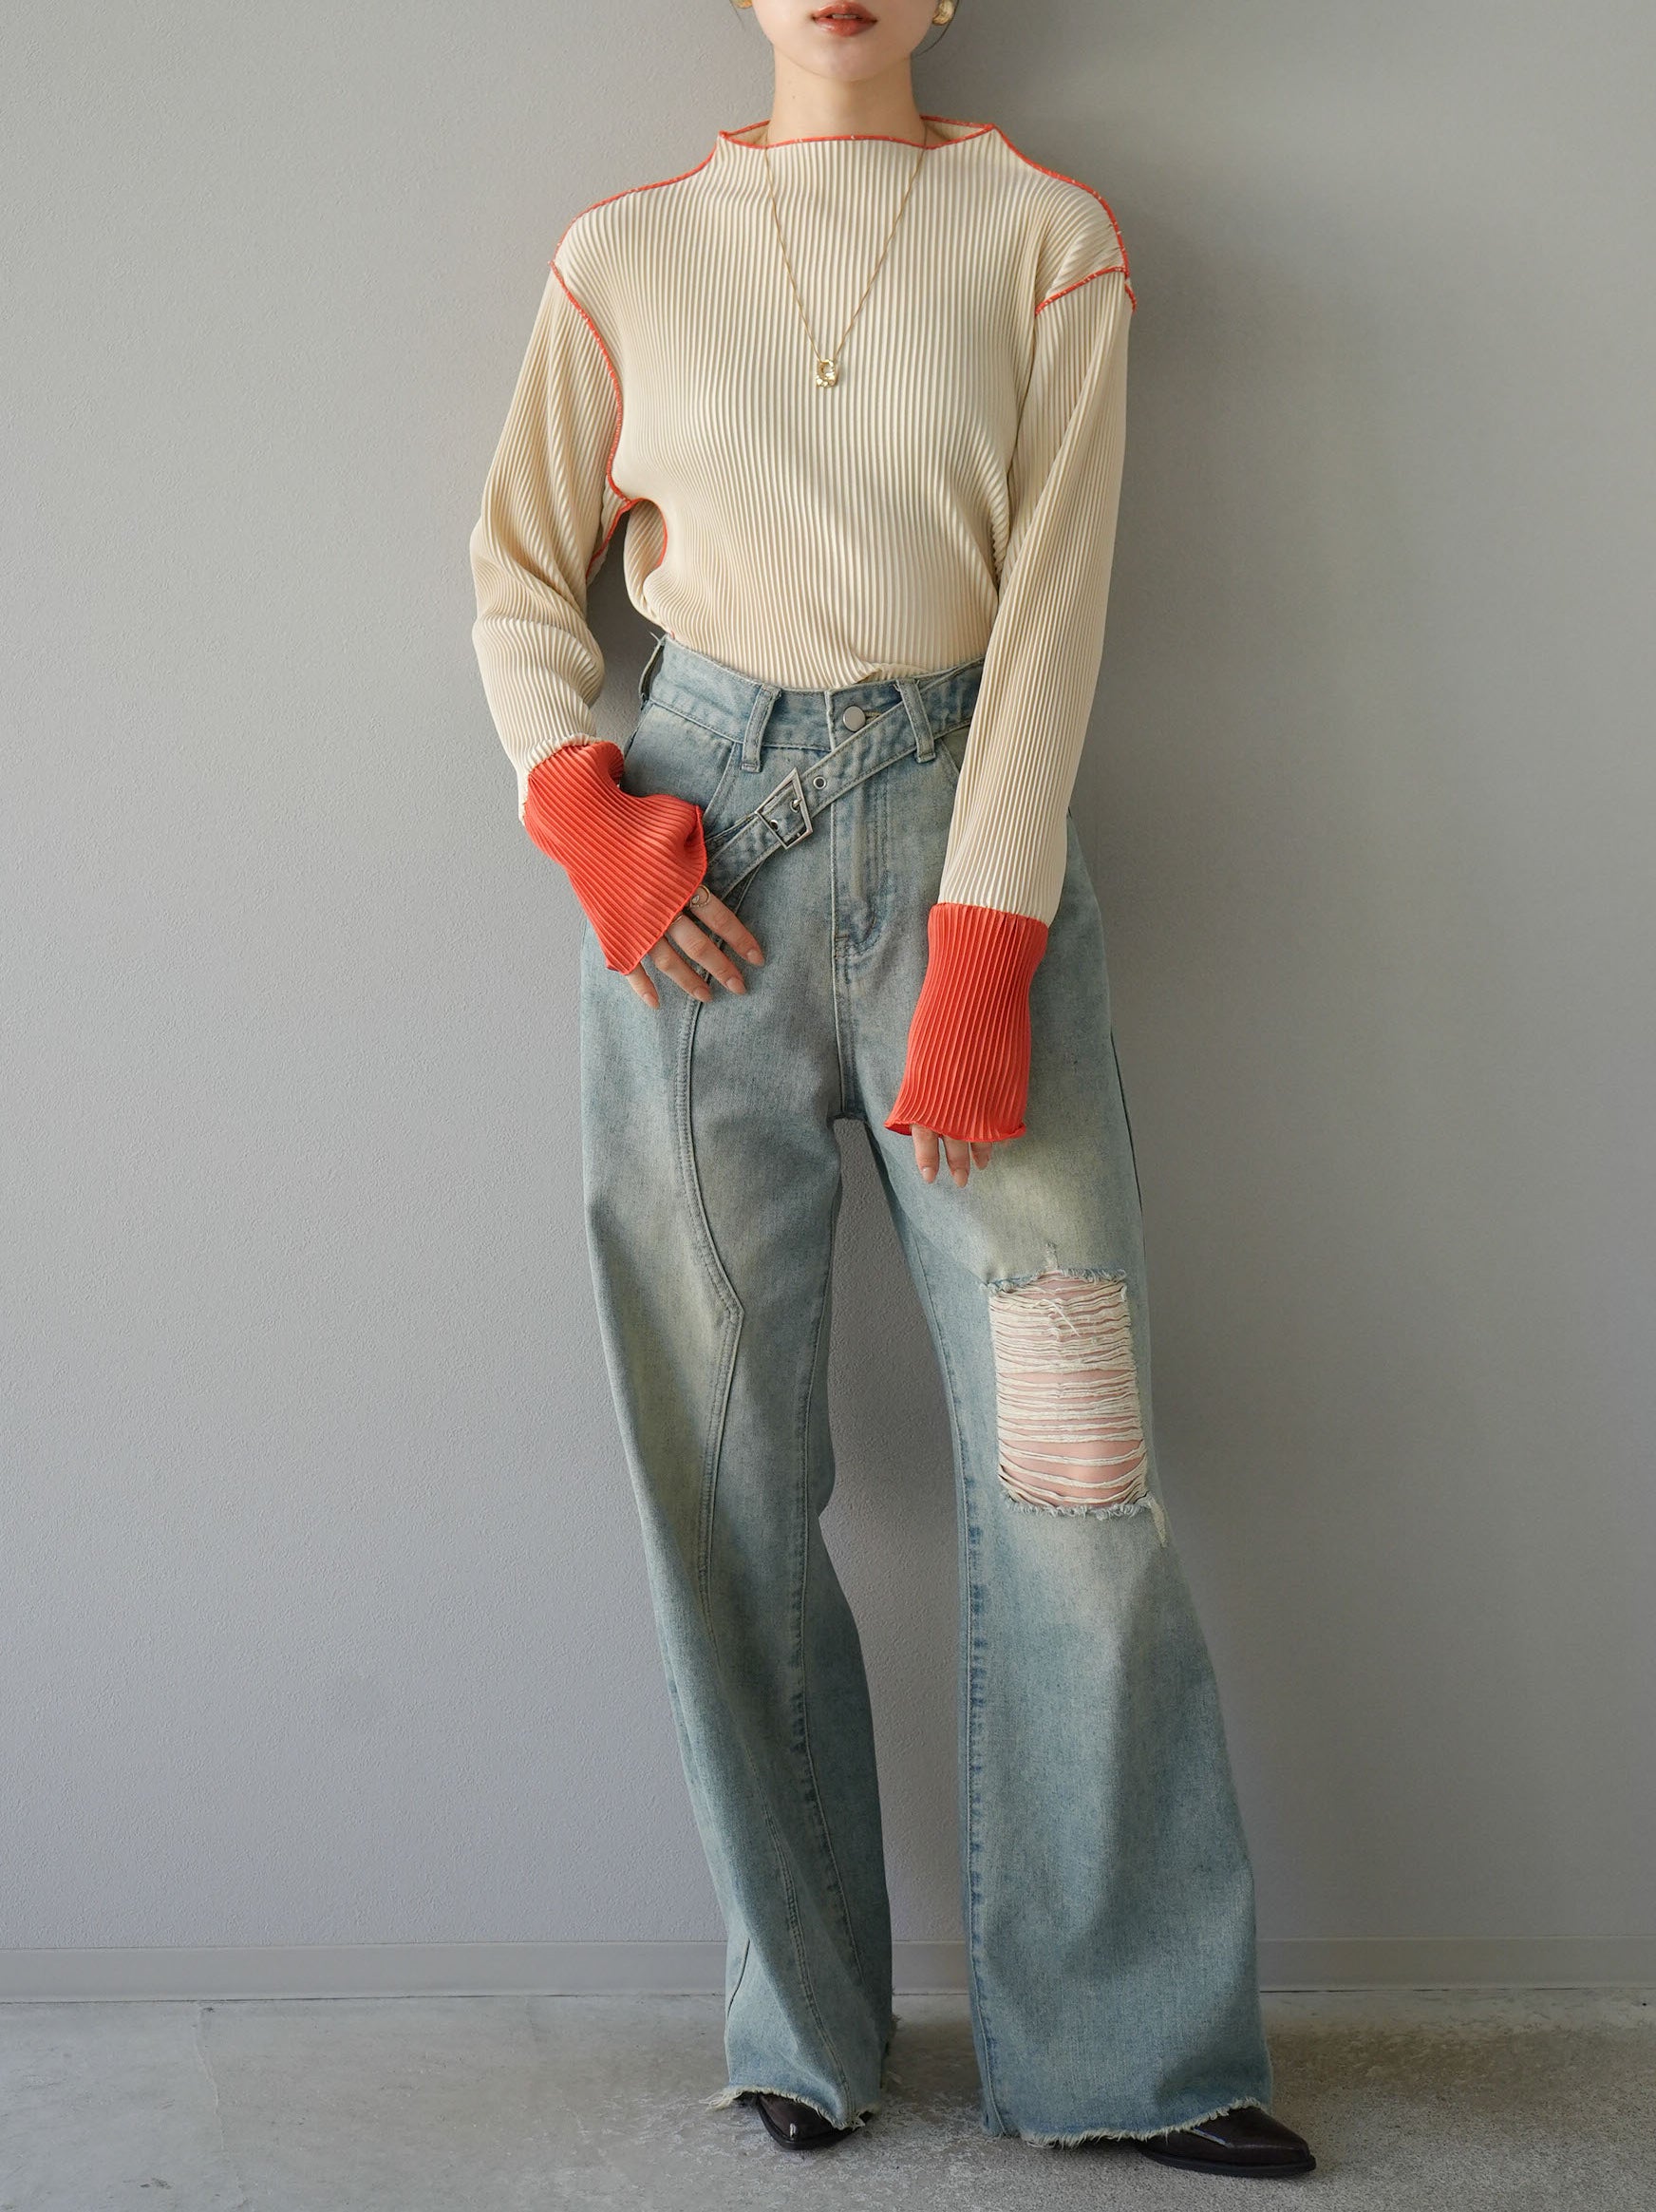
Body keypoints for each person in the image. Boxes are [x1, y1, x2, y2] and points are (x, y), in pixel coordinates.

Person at [467, 0, 1315, 2181]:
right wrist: (577, 806)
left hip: (970, 836)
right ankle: (800, 2025)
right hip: (699, 882)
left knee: (1072, 1460)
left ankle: (1128, 2050)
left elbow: (1056, 612)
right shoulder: (624, 252)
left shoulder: (1042, 236)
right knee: (720, 1473)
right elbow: (514, 570)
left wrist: (988, 938)